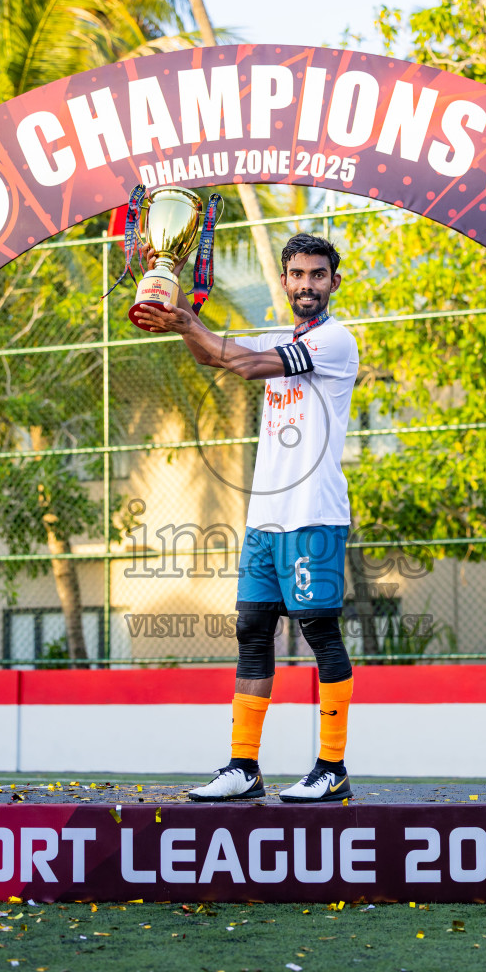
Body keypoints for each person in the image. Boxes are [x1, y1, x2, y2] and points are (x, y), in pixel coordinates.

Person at [136, 233, 359, 803]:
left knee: (319, 634)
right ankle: (244, 768)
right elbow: (214, 354)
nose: (306, 284)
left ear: (333, 282)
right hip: (266, 518)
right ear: (284, 281)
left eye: (317, 274)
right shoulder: (278, 335)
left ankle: (331, 769)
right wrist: (175, 301)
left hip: (315, 515)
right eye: (297, 274)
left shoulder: (335, 341)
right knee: (251, 633)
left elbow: (248, 365)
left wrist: (187, 323)